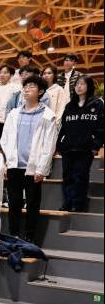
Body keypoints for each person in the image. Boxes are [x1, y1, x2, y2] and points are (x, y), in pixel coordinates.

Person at [1, 75, 58, 243]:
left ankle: (30, 237)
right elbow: (5, 140)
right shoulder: (14, 113)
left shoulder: (48, 115)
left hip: (33, 167)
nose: (26, 90)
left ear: (40, 92)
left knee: (32, 203)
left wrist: (42, 169)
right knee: (14, 202)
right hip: (14, 165)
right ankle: (13, 235)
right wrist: (4, 164)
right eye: (25, 87)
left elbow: (49, 144)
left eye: (31, 87)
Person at [57, 75, 103, 212]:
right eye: (77, 84)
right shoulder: (69, 105)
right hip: (68, 148)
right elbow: (63, 127)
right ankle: (68, 202)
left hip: (85, 148)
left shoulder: (97, 104)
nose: (79, 86)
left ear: (89, 86)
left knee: (80, 176)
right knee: (67, 177)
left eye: (82, 84)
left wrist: (96, 144)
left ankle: (78, 204)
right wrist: (60, 144)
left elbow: (102, 126)